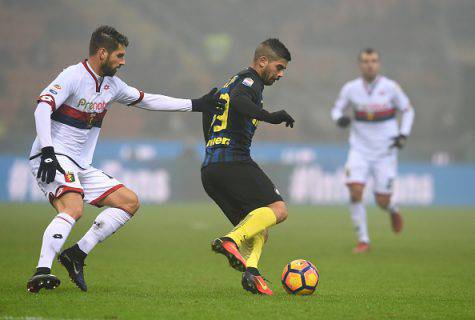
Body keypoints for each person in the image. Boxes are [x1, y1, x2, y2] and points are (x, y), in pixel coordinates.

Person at [27, 25, 224, 293]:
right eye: (119, 56)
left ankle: (77, 254)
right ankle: (42, 271)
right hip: (51, 155)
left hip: (79, 163)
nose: (123, 61)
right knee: (73, 207)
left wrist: (196, 104)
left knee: (129, 202)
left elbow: (148, 100)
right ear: (102, 52)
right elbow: (42, 107)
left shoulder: (112, 85)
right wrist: (48, 152)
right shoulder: (72, 76)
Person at [201, 38, 294, 295]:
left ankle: (251, 274)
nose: (280, 74)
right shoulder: (249, 82)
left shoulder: (231, 83)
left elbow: (208, 112)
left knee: (258, 230)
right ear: (262, 61)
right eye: (279, 67)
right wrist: (271, 117)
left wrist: (211, 147)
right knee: (278, 209)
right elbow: (241, 101)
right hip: (234, 161)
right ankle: (230, 240)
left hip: (211, 169)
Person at [331, 48, 415, 253]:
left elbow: (408, 110)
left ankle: (392, 208)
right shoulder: (351, 88)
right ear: (360, 65)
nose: (370, 64)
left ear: (379, 64)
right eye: (366, 61)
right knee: (355, 190)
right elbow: (336, 109)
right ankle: (363, 240)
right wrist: (339, 119)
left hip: (385, 151)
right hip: (359, 149)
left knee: (382, 200)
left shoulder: (391, 87)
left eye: (374, 61)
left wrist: (403, 134)